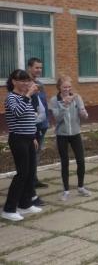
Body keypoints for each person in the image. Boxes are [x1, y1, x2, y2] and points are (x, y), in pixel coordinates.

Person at [2, 69, 43, 221]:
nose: (26, 83)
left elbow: (30, 119)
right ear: (14, 81)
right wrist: (27, 95)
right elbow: (17, 113)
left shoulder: (25, 97)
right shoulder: (11, 97)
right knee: (22, 173)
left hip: (28, 138)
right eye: (22, 80)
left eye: (27, 80)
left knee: (30, 172)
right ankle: (9, 209)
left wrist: (33, 136)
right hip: (18, 139)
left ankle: (24, 204)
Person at [50, 75, 90, 201]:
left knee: (81, 161)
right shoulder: (54, 100)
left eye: (69, 86)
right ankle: (66, 191)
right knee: (65, 162)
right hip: (62, 135)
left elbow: (84, 113)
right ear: (59, 87)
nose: (67, 89)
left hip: (76, 133)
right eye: (64, 87)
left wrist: (84, 114)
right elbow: (57, 118)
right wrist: (65, 105)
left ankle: (81, 187)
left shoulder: (77, 98)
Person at [27, 57, 50, 189]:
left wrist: (46, 121)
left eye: (40, 68)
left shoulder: (40, 85)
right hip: (31, 127)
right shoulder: (26, 85)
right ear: (29, 67)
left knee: (37, 153)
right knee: (30, 154)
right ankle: (28, 181)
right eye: (36, 67)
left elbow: (44, 105)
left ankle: (33, 179)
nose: (39, 70)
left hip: (42, 125)